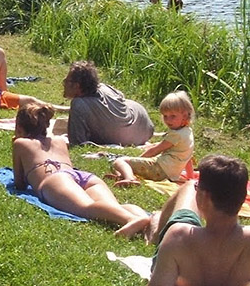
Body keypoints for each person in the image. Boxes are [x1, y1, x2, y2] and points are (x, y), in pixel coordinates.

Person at [142, 154, 250, 286]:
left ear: (203, 196)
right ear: (242, 198)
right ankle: (155, 221)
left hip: (183, 247)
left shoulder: (178, 237)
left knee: (188, 186)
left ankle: (156, 228)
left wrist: (195, 187)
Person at [12, 100, 151, 239]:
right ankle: (145, 222)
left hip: (55, 179)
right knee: (114, 206)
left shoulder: (20, 143)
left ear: (19, 127)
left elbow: (20, 183)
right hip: (80, 176)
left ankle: (131, 220)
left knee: (86, 207)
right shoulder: (59, 141)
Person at [110, 90, 194, 187]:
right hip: (171, 173)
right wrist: (190, 177)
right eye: (165, 116)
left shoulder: (176, 135)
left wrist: (137, 159)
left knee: (119, 162)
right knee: (122, 166)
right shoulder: (188, 132)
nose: (168, 120)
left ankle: (130, 178)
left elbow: (155, 151)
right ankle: (122, 176)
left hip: (160, 171)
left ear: (185, 116)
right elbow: (188, 158)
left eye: (173, 116)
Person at [61, 61, 155, 146]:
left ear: (77, 86)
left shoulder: (78, 104)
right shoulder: (105, 88)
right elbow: (121, 98)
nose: (63, 84)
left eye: (66, 81)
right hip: (145, 128)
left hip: (130, 135)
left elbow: (77, 141)